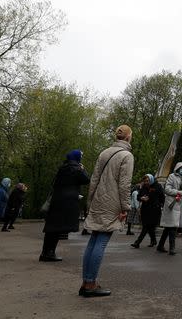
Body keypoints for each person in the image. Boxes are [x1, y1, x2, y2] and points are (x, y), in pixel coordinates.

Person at [80, 125, 135, 297]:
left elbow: (94, 179)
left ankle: (86, 282)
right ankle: (91, 285)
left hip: (98, 200)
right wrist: (125, 207)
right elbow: (124, 184)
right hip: (113, 203)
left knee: (93, 240)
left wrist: (90, 202)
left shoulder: (104, 153)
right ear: (128, 137)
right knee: (101, 242)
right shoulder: (127, 155)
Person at [41, 150, 90, 261]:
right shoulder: (76, 169)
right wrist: (82, 168)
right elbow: (86, 179)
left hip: (57, 200)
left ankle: (45, 252)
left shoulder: (63, 167)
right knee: (57, 229)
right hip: (66, 202)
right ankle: (50, 253)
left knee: (52, 228)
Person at [157, 161, 182, 255]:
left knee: (169, 227)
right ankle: (172, 248)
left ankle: (160, 245)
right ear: (177, 168)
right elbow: (167, 189)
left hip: (179, 204)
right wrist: (179, 192)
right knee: (172, 227)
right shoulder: (172, 176)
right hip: (172, 204)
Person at [131, 174, 163, 248]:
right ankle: (154, 240)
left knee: (146, 227)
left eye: (147, 181)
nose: (146, 182)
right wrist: (141, 198)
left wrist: (160, 205)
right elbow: (138, 197)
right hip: (145, 209)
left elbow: (162, 197)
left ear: (151, 180)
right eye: (145, 181)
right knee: (149, 227)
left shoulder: (157, 186)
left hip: (155, 210)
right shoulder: (144, 187)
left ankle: (137, 242)